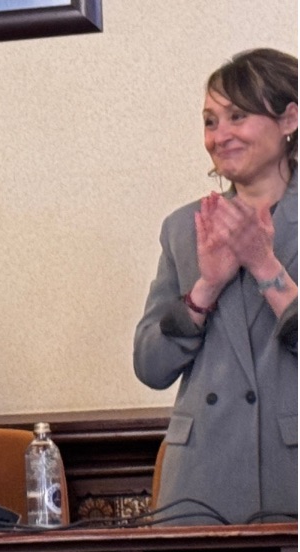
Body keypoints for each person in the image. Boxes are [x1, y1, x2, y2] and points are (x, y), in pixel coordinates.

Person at [134, 48, 297, 525]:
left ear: (289, 118)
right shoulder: (184, 227)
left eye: (237, 117)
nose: (219, 135)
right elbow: (150, 366)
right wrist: (207, 285)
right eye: (210, 121)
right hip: (200, 483)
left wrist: (264, 266)